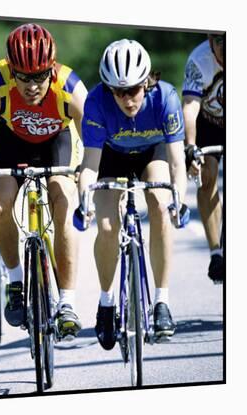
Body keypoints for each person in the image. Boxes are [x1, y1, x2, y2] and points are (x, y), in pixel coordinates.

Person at [0, 23, 87, 339]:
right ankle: (15, 280)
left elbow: (95, 146)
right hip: (11, 142)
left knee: (64, 202)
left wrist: (88, 179)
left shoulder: (70, 86)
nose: (32, 85)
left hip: (56, 143)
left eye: (40, 76)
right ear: (10, 69)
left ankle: (68, 303)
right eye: (23, 76)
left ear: (51, 69)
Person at [75, 39, 190, 350]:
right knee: (108, 226)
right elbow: (89, 166)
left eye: (134, 90)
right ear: (108, 89)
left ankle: (162, 302)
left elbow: (178, 161)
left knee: (160, 205)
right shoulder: (97, 102)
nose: (127, 99)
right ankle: (106, 302)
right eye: (119, 91)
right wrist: (84, 199)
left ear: (147, 81)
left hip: (152, 155)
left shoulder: (165, 97)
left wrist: (178, 198)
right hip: (110, 157)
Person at [182, 34, 224, 284]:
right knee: (207, 177)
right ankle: (216, 252)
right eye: (220, 44)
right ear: (210, 41)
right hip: (207, 123)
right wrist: (190, 147)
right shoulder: (199, 60)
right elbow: (189, 106)